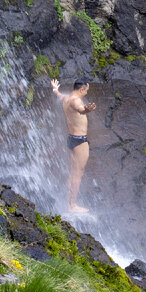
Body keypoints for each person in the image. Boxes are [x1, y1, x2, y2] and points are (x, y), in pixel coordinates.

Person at [51, 78, 97, 213]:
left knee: (73, 174)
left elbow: (58, 95)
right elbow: (80, 109)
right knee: (78, 173)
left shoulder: (66, 98)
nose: (86, 93)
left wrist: (55, 89)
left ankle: (70, 203)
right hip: (79, 140)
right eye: (86, 90)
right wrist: (86, 110)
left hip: (71, 139)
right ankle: (72, 206)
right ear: (82, 89)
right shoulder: (76, 100)